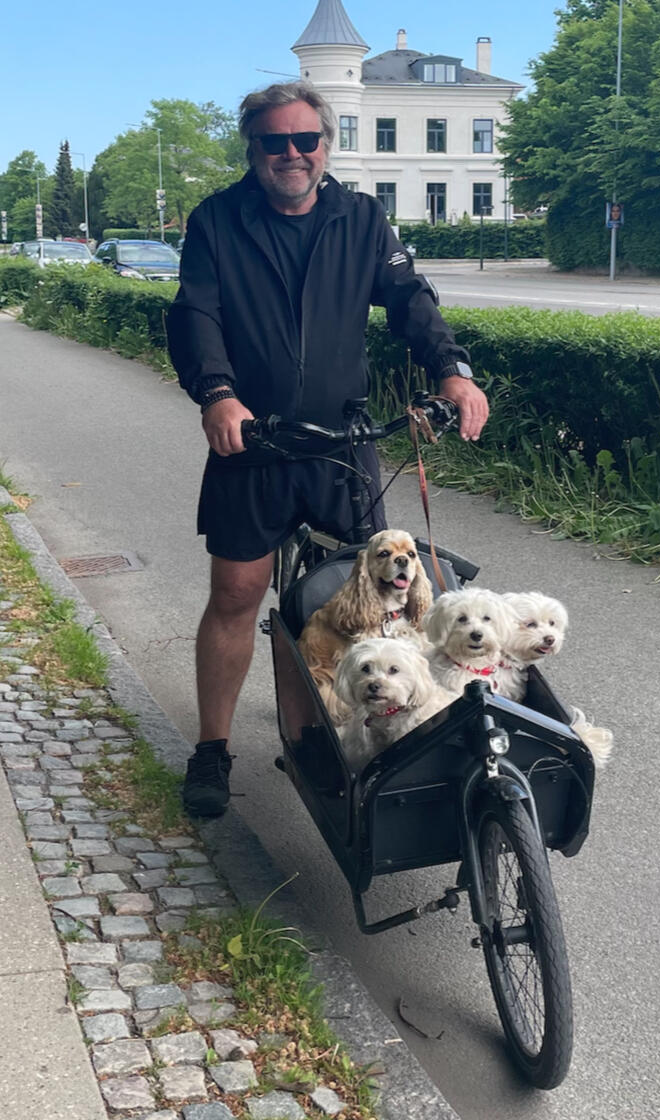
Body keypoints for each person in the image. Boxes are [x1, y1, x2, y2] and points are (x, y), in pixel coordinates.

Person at [166, 81, 489, 818]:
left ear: (325, 146)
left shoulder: (361, 217)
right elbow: (196, 314)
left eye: (305, 140)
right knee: (236, 595)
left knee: (367, 604)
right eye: (274, 141)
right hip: (252, 440)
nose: (291, 154)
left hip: (343, 443)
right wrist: (216, 393)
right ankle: (212, 747)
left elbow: (410, 300)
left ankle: (341, 734)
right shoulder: (218, 219)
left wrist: (452, 370)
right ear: (253, 148)